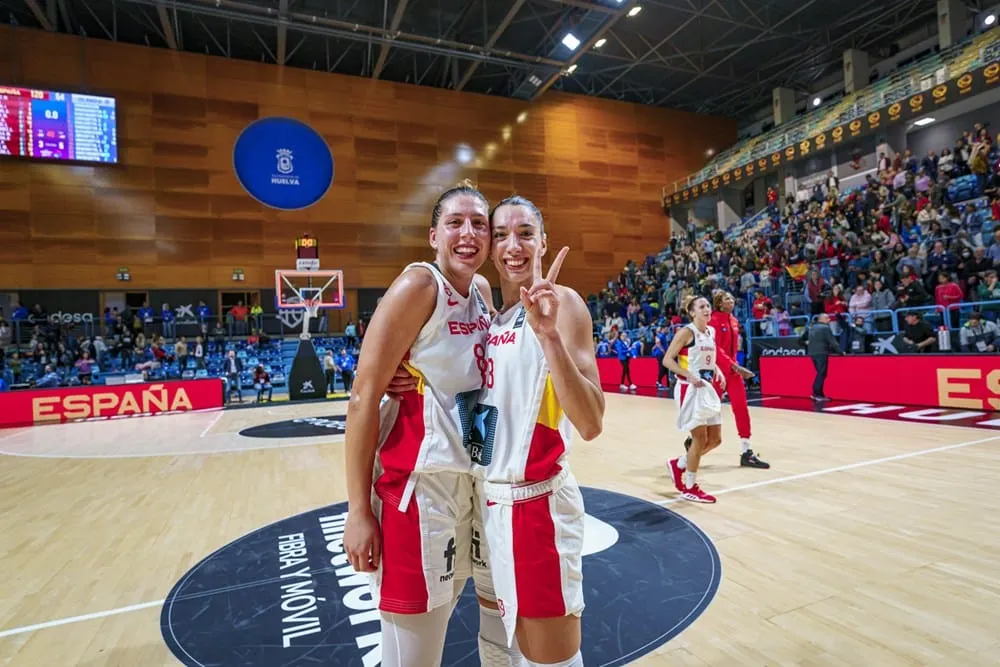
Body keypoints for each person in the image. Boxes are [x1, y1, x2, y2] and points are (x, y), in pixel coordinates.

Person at [342, 181, 518, 667]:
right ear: (433, 236)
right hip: (415, 488)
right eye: (454, 223)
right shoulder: (420, 285)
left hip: (466, 482)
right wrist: (358, 509)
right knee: (414, 652)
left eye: (479, 224)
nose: (468, 233)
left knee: (447, 619)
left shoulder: (481, 291)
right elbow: (362, 397)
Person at [470, 196, 603, 667]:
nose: (513, 245)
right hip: (484, 507)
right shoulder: (485, 317)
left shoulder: (562, 305)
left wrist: (547, 335)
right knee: (500, 648)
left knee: (550, 661)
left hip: (537, 508)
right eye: (501, 234)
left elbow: (590, 423)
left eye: (525, 233)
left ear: (543, 241)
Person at [684, 291, 769, 469]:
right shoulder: (713, 320)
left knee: (741, 408)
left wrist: (737, 365)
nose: (730, 301)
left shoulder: (734, 320)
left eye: (731, 298)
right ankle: (693, 441)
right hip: (717, 371)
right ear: (719, 304)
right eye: (726, 299)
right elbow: (716, 349)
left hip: (733, 371)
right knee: (709, 409)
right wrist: (734, 366)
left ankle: (746, 451)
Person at [662, 295, 726, 504]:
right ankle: (690, 487)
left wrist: (718, 370)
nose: (707, 309)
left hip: (706, 388)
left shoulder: (711, 332)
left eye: (708, 305)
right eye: (701, 306)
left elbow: (708, 358)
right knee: (699, 438)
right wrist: (688, 374)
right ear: (692, 312)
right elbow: (667, 360)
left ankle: (679, 463)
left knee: (715, 439)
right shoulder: (686, 332)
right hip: (689, 389)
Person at [800, 313, 844, 401]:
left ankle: (819, 394)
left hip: (812, 353)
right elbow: (833, 341)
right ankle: (816, 394)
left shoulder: (811, 327)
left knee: (820, 373)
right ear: (822, 319)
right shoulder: (825, 328)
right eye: (827, 318)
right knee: (821, 373)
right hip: (821, 352)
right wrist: (841, 352)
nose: (829, 320)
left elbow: (801, 339)